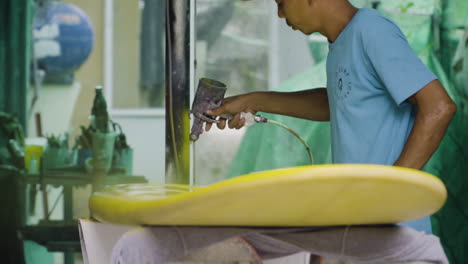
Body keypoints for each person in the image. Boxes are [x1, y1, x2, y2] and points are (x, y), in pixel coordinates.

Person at [204, 0, 456, 263]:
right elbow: (338, 102)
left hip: (396, 239)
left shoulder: (371, 30)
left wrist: (388, 196)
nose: (280, 14)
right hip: (361, 232)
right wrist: (253, 100)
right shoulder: (341, 43)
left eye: (281, 3)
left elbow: (439, 107)